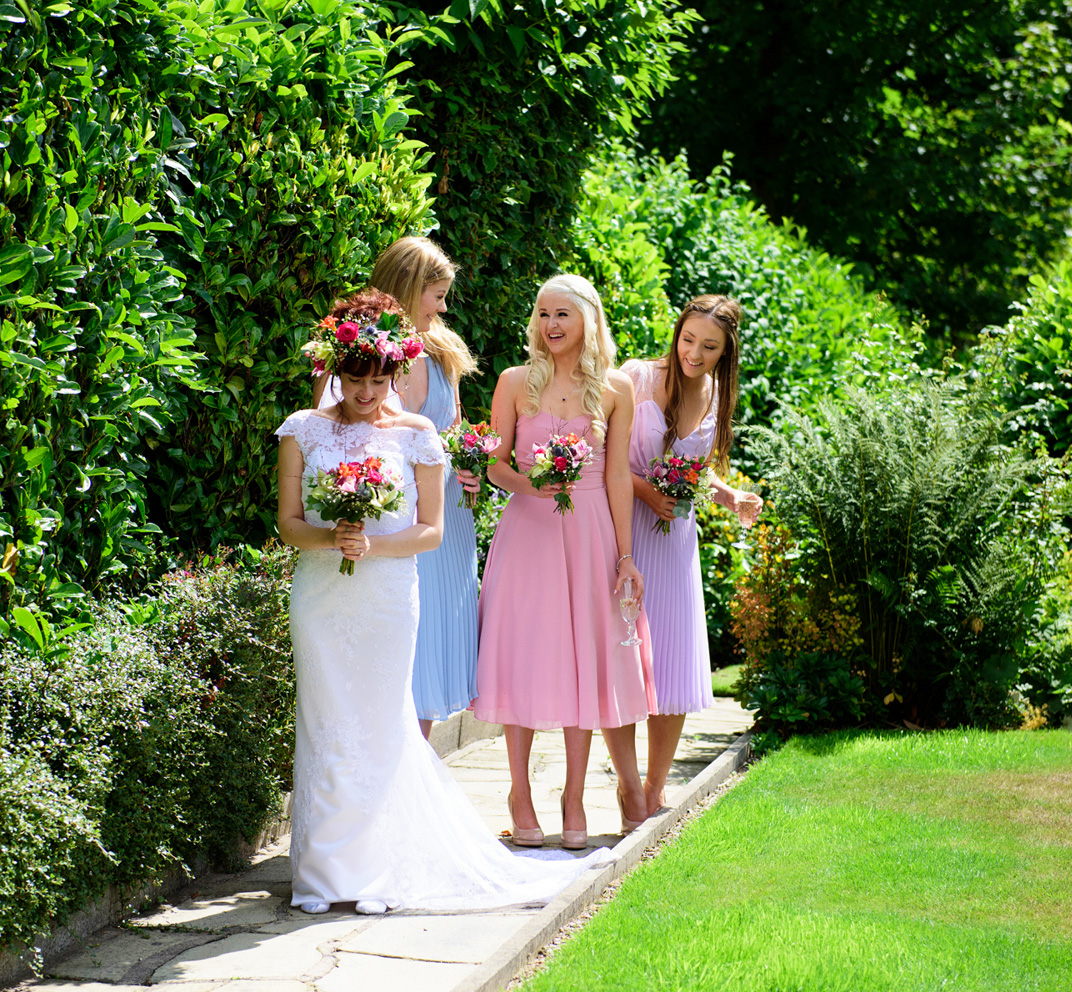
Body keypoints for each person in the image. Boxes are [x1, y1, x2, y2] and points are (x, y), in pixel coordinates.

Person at [278, 289, 609, 915]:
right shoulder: (302, 431)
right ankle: (320, 875)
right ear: (336, 372)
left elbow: (431, 530)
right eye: (356, 378)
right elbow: (289, 524)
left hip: (386, 597)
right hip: (320, 597)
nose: (369, 392)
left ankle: (375, 871)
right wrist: (332, 536)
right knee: (325, 722)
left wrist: (370, 544)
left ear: (395, 373)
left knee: (379, 722)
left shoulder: (418, 433)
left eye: (380, 378)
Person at [475, 274, 656, 850]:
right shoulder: (513, 382)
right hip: (527, 532)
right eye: (544, 315)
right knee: (524, 654)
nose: (552, 326)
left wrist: (626, 556)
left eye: (563, 315)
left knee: (584, 659)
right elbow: (495, 465)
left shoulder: (617, 388)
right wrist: (531, 484)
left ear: (588, 320)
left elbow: (619, 479)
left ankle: (574, 795)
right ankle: (519, 795)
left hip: (591, 536)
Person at [313, 236, 479, 739]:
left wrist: (468, 462)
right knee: (391, 653)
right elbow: (328, 437)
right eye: (437, 294)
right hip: (388, 520)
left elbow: (449, 431)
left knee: (429, 652)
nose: (444, 306)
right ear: (409, 289)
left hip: (445, 523)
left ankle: (416, 778)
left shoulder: (445, 352)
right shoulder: (358, 355)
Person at [621, 295, 763, 817]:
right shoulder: (635, 377)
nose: (694, 354)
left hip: (676, 539)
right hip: (626, 531)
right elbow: (600, 453)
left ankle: (655, 789)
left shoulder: (717, 392)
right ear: (677, 332)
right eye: (688, 339)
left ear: (725, 352)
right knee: (625, 656)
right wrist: (644, 491)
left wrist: (730, 497)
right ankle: (629, 786)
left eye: (709, 347)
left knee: (673, 665)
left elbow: (695, 468)